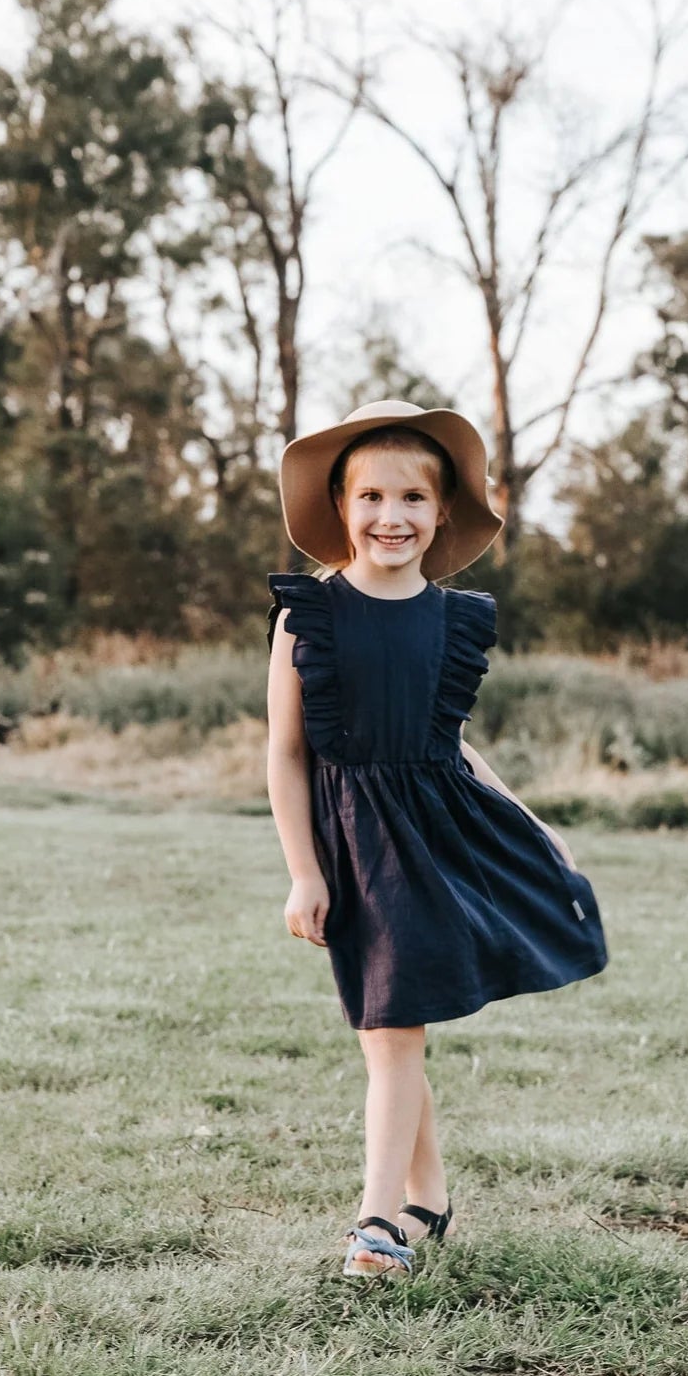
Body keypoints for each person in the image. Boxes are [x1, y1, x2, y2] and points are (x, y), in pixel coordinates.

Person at [266, 399, 608, 1280]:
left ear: (442, 510)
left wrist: (534, 824)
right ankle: (427, 1198)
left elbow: (447, 739)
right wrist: (303, 871)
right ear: (340, 508)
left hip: (438, 837)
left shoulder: (452, 619)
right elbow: (285, 752)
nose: (392, 516)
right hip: (350, 842)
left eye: (413, 498)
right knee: (387, 1024)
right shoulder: (308, 615)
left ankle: (377, 1224)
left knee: (393, 1028)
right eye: (371, 497)